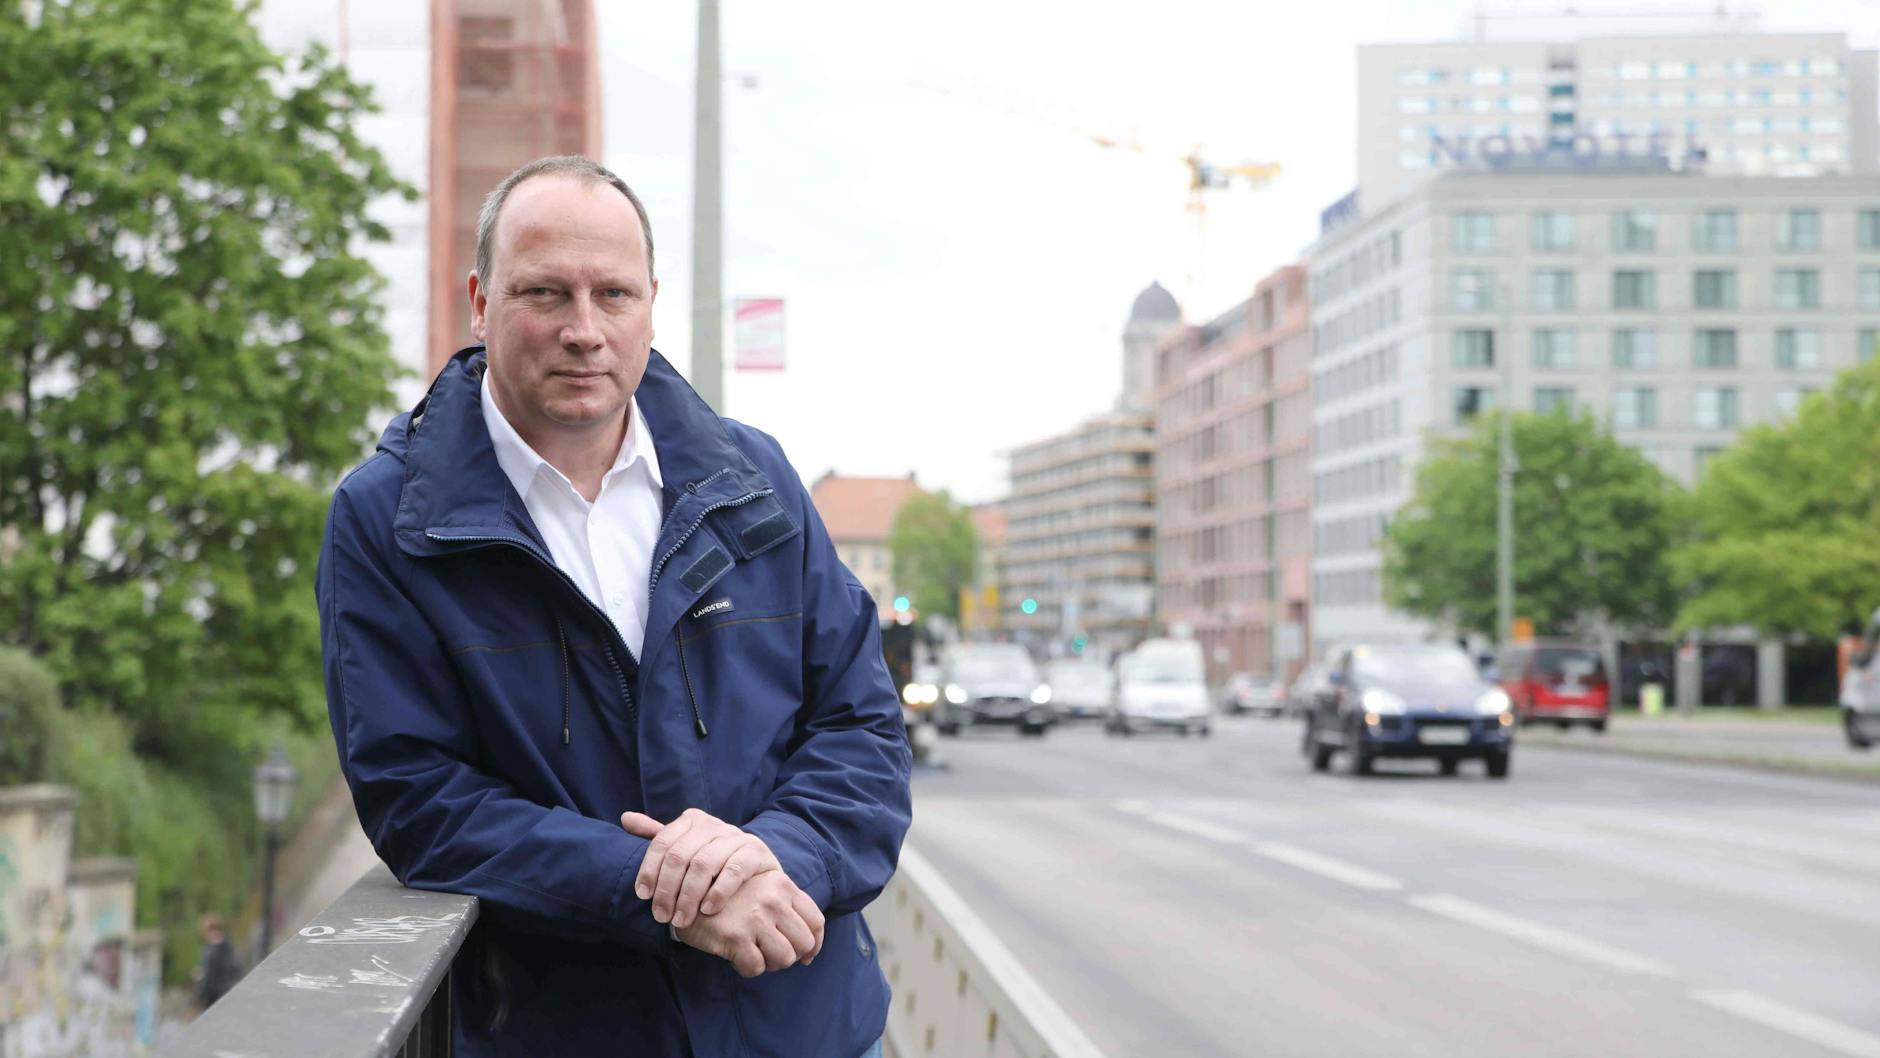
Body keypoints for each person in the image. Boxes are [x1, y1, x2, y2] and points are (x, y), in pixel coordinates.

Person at [317, 155, 912, 1057]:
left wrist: (776, 857)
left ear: (651, 303)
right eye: (545, 293)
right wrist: (654, 885)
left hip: (805, 1024)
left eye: (614, 295)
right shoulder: (388, 519)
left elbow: (861, 730)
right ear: (480, 301)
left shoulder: (756, 483)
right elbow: (421, 802)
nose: (584, 331)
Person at [193, 914, 240, 1011]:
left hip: (214, 999)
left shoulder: (209, 952)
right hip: (231, 994)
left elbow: (208, 982)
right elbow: (236, 969)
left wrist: (199, 996)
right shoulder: (229, 945)